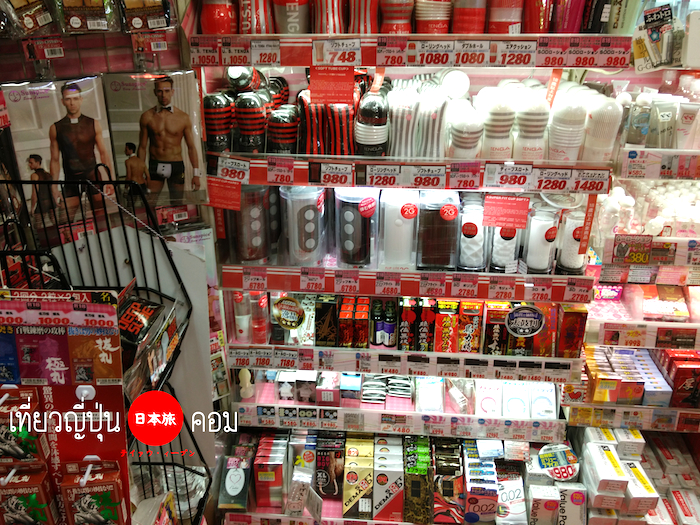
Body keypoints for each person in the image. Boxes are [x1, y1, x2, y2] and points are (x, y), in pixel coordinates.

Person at [48, 82, 113, 212]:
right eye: (68, 99)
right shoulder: (56, 128)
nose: (72, 103)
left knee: (100, 215)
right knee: (66, 217)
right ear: (63, 101)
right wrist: (54, 187)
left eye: (75, 98)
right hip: (71, 177)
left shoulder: (93, 123)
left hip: (92, 175)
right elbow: (54, 160)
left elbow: (103, 153)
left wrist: (110, 180)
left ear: (81, 100)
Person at [138, 76, 200, 203]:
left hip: (176, 165)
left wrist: (196, 174)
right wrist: (139, 173)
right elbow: (142, 147)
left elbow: (191, 147)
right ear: (155, 92)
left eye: (167, 91)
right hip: (155, 164)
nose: (163, 95)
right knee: (149, 202)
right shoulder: (147, 117)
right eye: (160, 91)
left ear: (172, 92)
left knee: (177, 202)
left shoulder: (183, 117)